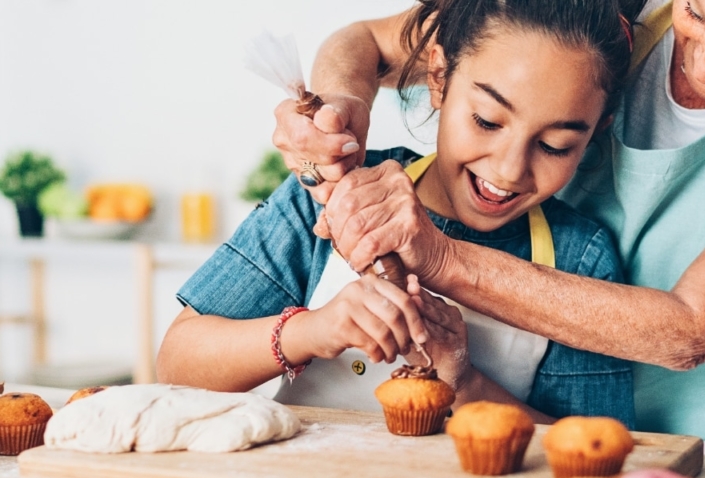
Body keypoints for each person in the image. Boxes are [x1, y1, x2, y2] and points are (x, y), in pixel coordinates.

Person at [271, 0, 705, 467]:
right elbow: (367, 44)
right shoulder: (610, 8)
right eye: (697, 14)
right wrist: (340, 111)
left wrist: (438, 254)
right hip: (568, 427)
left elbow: (692, 329)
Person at [157, 0, 649, 427]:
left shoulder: (580, 258)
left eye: (555, 145)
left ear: (595, 131)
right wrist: (312, 330)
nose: (509, 168)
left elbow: (595, 451)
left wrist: (464, 381)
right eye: (486, 120)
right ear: (439, 77)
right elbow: (177, 365)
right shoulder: (337, 192)